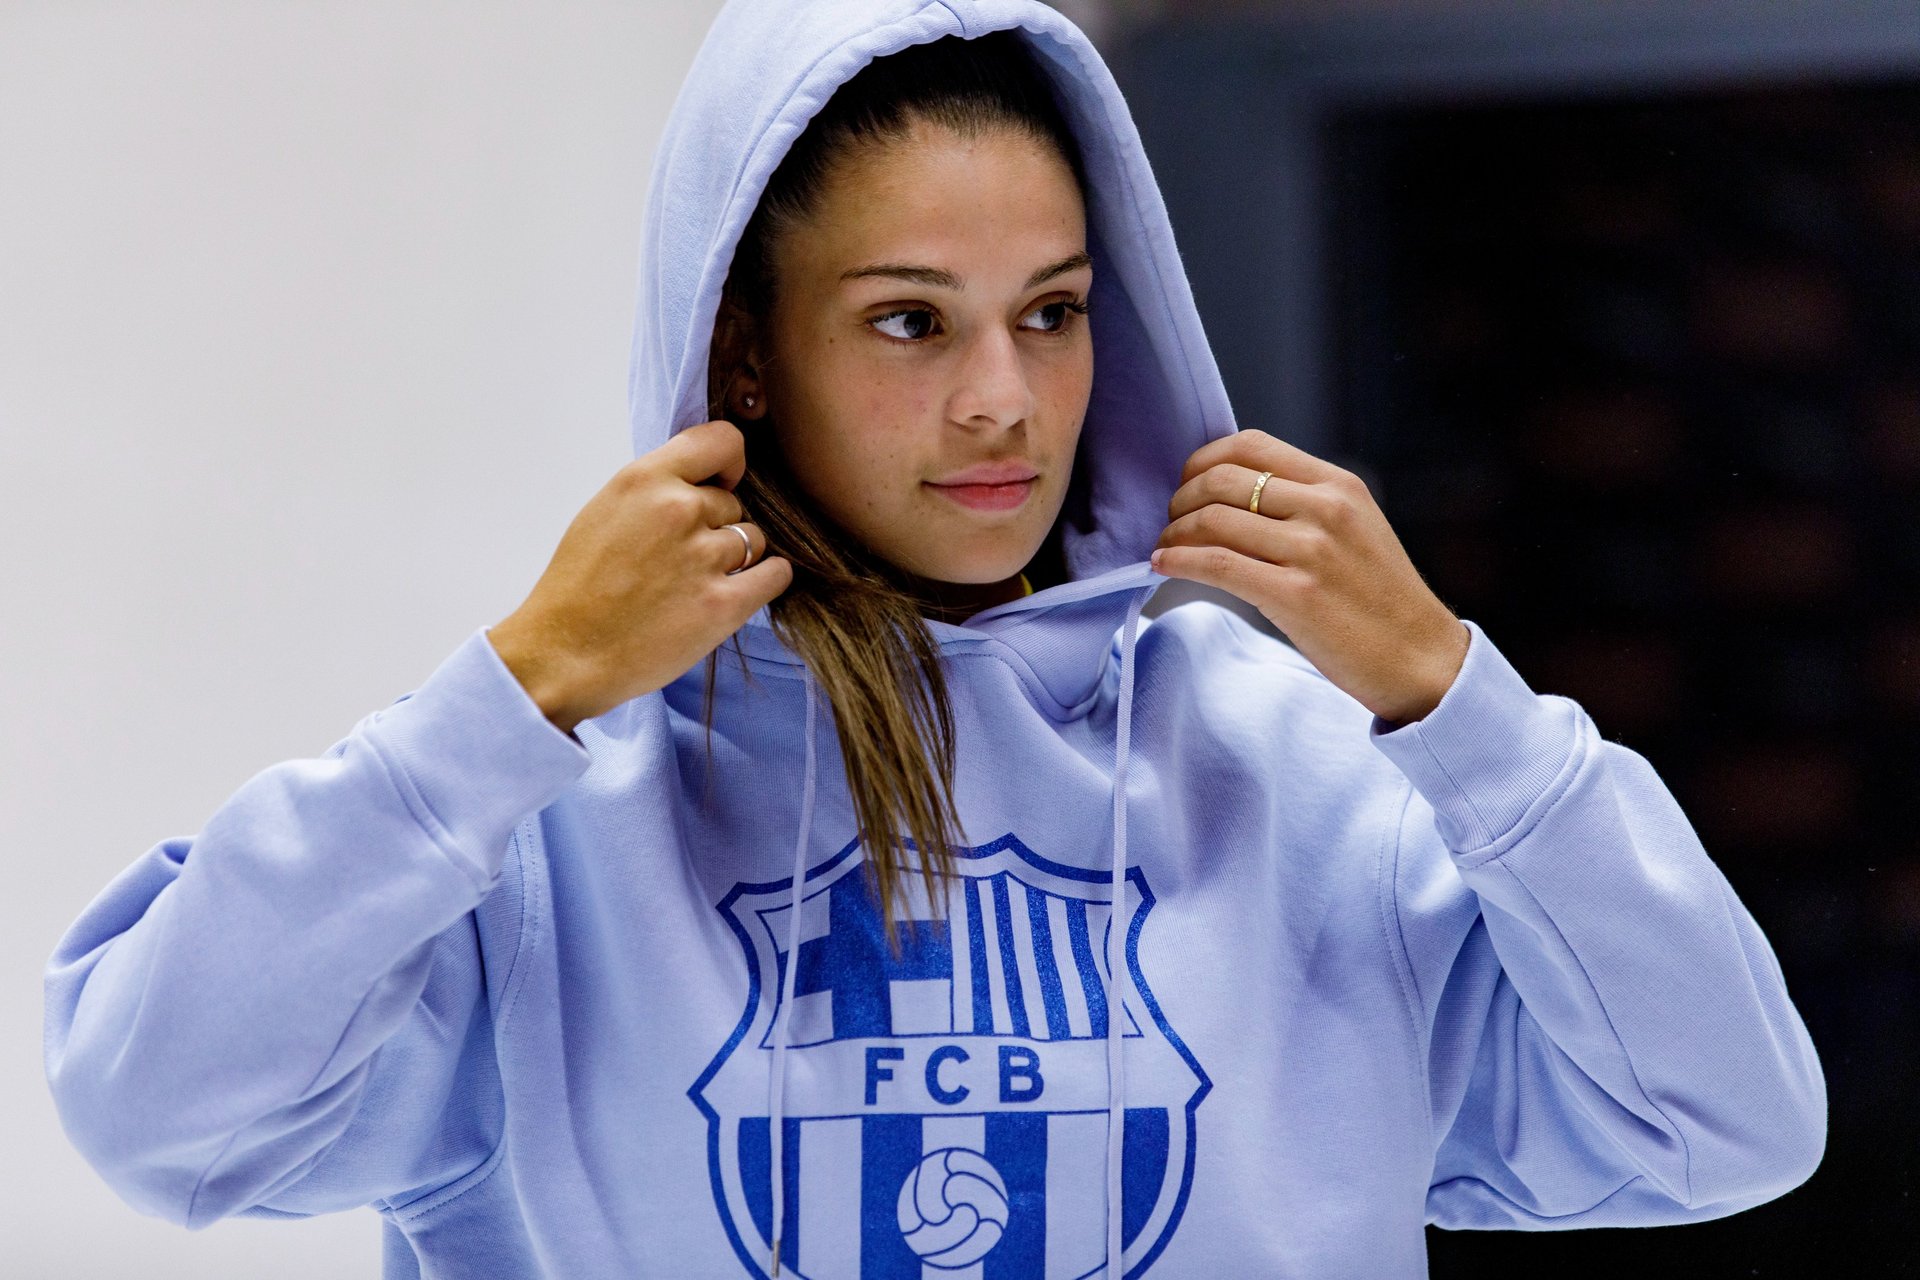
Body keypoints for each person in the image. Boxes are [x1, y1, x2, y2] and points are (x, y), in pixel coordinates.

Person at [44, 2, 1826, 1277]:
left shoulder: (1291, 776)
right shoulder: (542, 821)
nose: (1003, 401)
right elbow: (161, 1116)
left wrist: (1454, 702)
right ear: (749, 352)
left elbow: (1724, 1124)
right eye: (910, 320)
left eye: (1052, 312)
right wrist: (513, 702)